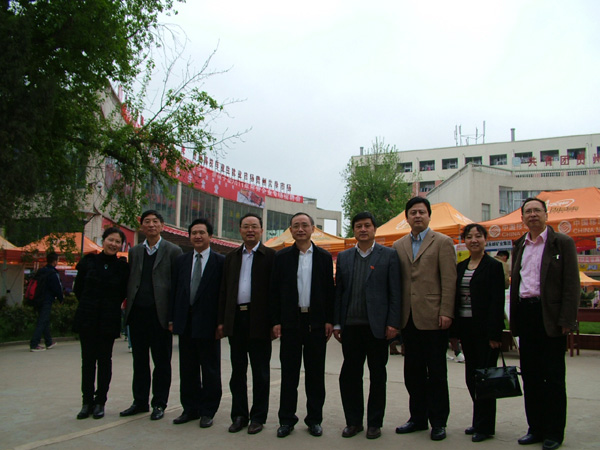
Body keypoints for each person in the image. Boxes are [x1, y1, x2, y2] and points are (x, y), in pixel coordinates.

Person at [510, 198, 579, 450]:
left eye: (537, 210)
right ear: (522, 218)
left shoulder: (562, 242)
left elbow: (571, 284)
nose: (533, 215)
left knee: (553, 378)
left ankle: (554, 432)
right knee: (531, 377)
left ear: (546, 215)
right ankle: (535, 428)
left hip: (550, 316)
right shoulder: (520, 244)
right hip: (526, 315)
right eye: (528, 211)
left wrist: (566, 319)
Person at [393, 197, 456, 441]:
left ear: (429, 215)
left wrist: (446, 311)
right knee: (413, 372)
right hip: (408, 318)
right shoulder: (398, 245)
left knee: (437, 373)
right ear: (407, 218)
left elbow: (449, 280)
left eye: (421, 212)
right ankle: (417, 418)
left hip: (434, 317)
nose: (417, 216)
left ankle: (438, 421)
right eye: (413, 212)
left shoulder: (443, 242)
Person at [333, 211, 402, 440]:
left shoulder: (389, 255)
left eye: (367, 225)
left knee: (377, 376)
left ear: (374, 229)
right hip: (351, 327)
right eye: (359, 226)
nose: (363, 229)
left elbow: (395, 292)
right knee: (350, 376)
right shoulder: (344, 257)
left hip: (378, 328)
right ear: (354, 230)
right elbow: (339, 292)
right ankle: (353, 422)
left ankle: (374, 423)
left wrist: (393, 323)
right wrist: (337, 323)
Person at [270, 212, 335, 438]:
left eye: (304, 225)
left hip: (316, 323)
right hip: (290, 322)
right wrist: (276, 321)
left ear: (313, 229)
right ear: (290, 230)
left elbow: (329, 292)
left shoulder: (324, 257)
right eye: (296, 226)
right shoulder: (282, 257)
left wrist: (329, 319)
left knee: (315, 375)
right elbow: (274, 292)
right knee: (289, 374)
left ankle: (314, 419)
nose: (300, 229)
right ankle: (286, 420)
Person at [217, 213, 276, 435]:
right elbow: (224, 290)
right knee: (237, 371)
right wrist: (222, 321)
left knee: (260, 372)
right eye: (246, 226)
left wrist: (275, 322)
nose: (250, 230)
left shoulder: (271, 256)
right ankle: (239, 415)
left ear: (261, 230)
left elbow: (276, 292)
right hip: (236, 320)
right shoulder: (231, 257)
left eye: (254, 226)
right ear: (240, 230)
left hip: (260, 321)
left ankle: (258, 417)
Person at [121, 210, 182, 420]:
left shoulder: (173, 251)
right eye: (146, 221)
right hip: (138, 314)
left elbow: (177, 286)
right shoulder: (135, 251)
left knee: (161, 362)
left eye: (155, 221)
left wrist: (173, 317)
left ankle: (159, 403)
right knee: (139, 361)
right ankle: (139, 402)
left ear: (162, 226)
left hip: (160, 316)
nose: (151, 225)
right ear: (142, 226)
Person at [170, 218, 225, 428]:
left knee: (210, 369)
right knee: (188, 369)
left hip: (209, 324)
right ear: (189, 236)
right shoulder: (181, 261)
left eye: (202, 233)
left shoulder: (220, 262)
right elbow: (175, 291)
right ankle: (190, 409)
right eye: (194, 233)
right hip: (186, 322)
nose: (198, 236)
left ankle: (208, 411)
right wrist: (172, 318)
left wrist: (221, 323)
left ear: (210, 236)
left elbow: (223, 294)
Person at [454, 224, 505, 442]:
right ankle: (478, 420)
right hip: (466, 328)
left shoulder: (494, 266)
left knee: (486, 378)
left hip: (485, 331)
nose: (473, 240)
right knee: (472, 377)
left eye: (478, 236)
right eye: (469, 237)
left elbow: (497, 302)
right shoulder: (461, 266)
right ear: (464, 241)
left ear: (485, 239)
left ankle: (485, 426)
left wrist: (495, 334)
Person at [72, 228, 129, 420]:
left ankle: (100, 402)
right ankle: (86, 402)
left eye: (117, 242)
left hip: (108, 319)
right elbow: (79, 289)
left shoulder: (122, 267)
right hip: (87, 317)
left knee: (105, 361)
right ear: (103, 241)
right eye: (110, 240)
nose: (113, 244)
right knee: (87, 361)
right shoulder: (88, 262)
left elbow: (122, 292)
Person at [30, 252, 64, 352]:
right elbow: (57, 288)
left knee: (44, 320)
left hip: (37, 299)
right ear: (54, 261)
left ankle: (48, 341)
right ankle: (34, 344)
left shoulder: (41, 271)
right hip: (47, 300)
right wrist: (61, 299)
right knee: (42, 321)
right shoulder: (53, 273)